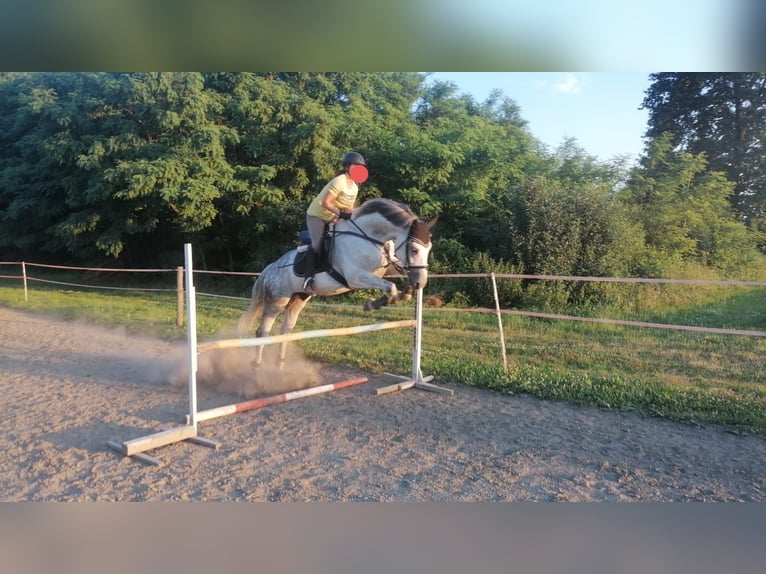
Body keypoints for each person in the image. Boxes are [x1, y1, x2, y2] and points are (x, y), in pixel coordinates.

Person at [302, 151, 368, 291]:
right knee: (317, 244)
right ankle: (308, 277)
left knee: (346, 237)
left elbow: (349, 208)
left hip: (333, 216)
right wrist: (340, 214)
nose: (358, 169)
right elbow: (324, 202)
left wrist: (358, 217)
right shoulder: (339, 181)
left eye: (360, 167)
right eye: (355, 166)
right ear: (347, 167)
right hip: (317, 215)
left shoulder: (354, 187)